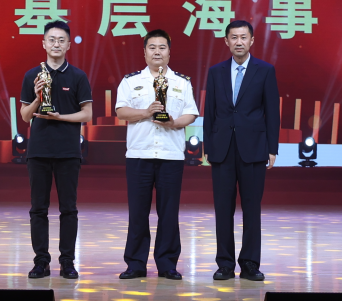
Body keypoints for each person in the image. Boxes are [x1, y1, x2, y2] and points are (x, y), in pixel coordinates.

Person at [115, 29, 198, 280]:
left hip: (171, 155)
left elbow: (191, 113)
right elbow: (121, 111)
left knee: (169, 213)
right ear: (144, 52)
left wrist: (173, 123)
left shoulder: (181, 82)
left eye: (162, 47)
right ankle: (135, 263)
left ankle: (167, 264)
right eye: (152, 47)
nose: (157, 52)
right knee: (138, 212)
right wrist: (146, 112)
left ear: (169, 52)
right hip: (139, 155)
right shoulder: (130, 81)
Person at [202, 20, 279, 281]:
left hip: (254, 148)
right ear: (226, 41)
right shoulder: (216, 72)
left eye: (243, 37)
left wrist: (272, 148)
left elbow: (272, 112)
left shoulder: (265, 70)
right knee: (223, 209)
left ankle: (249, 264)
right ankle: (225, 264)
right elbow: (210, 112)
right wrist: (208, 146)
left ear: (252, 40)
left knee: (251, 208)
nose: (238, 42)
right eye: (233, 37)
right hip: (222, 149)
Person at [19, 20, 93, 279]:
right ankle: (41, 261)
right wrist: (38, 98)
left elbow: (87, 113)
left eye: (61, 40)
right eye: (52, 39)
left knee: (68, 209)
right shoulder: (32, 75)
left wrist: (60, 117)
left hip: (68, 152)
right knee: (38, 209)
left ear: (69, 45)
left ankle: (67, 262)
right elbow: (25, 116)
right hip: (38, 151)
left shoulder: (78, 76)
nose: (56, 44)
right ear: (44, 43)